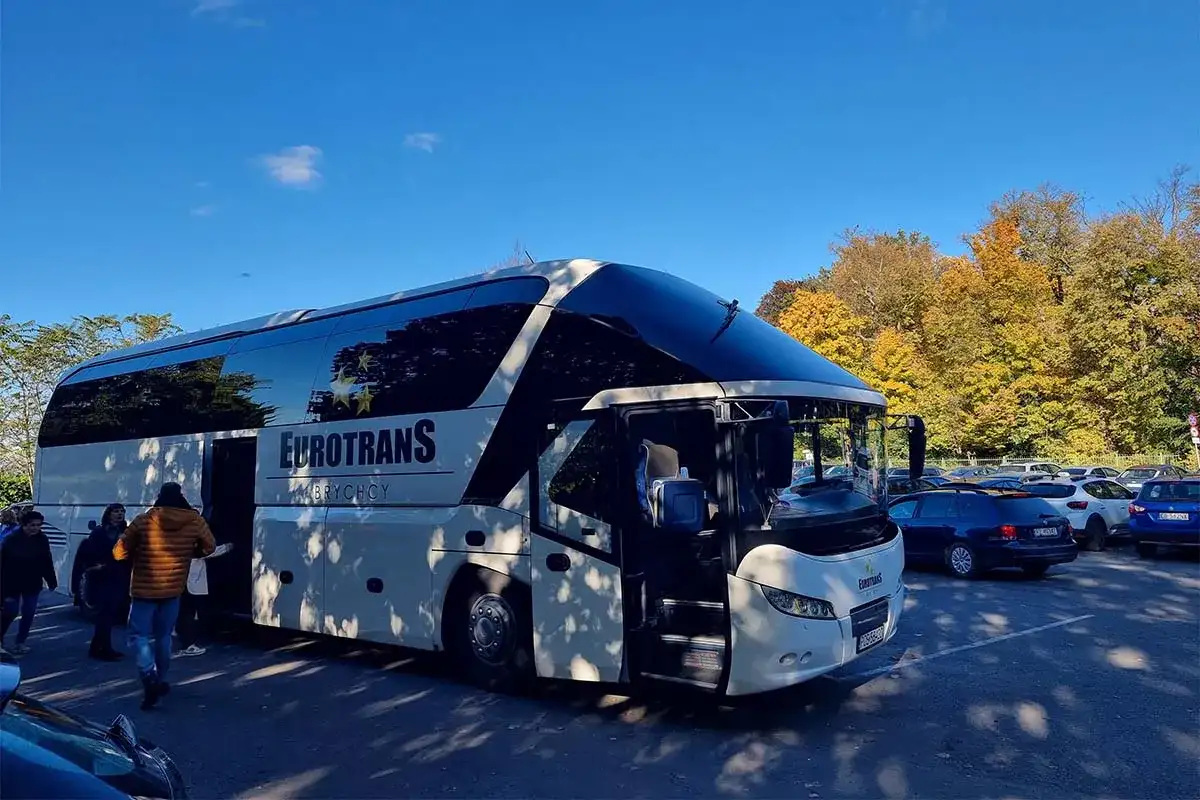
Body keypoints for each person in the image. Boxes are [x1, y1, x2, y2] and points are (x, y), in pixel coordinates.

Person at [113, 483, 214, 710]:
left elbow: (118, 552)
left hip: (144, 589)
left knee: (138, 636)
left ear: (159, 497)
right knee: (164, 636)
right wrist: (189, 552)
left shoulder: (143, 521)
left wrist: (135, 552)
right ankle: (160, 679)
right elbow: (209, 546)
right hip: (173, 588)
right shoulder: (195, 521)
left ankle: (149, 675)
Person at [76, 504, 130, 662]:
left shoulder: (125, 531)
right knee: (105, 614)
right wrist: (94, 566)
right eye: (116, 511)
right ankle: (104, 648)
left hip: (118, 575)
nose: (119, 514)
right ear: (109, 514)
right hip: (102, 576)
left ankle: (97, 647)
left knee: (109, 614)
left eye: (122, 511)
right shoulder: (99, 532)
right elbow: (87, 552)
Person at [0, 510, 58, 655]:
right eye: (32, 525)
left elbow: (46, 560)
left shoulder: (42, 539)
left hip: (32, 582)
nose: (35, 528)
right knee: (10, 612)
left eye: (38, 525)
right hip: (11, 582)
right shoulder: (11, 539)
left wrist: (51, 579)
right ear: (24, 525)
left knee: (29, 612)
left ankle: (20, 642)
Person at [175, 539, 234, 657]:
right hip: (192, 584)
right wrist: (226, 547)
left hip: (181, 583)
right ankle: (188, 645)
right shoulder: (192, 546)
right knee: (190, 615)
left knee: (184, 613)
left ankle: (182, 638)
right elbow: (209, 551)